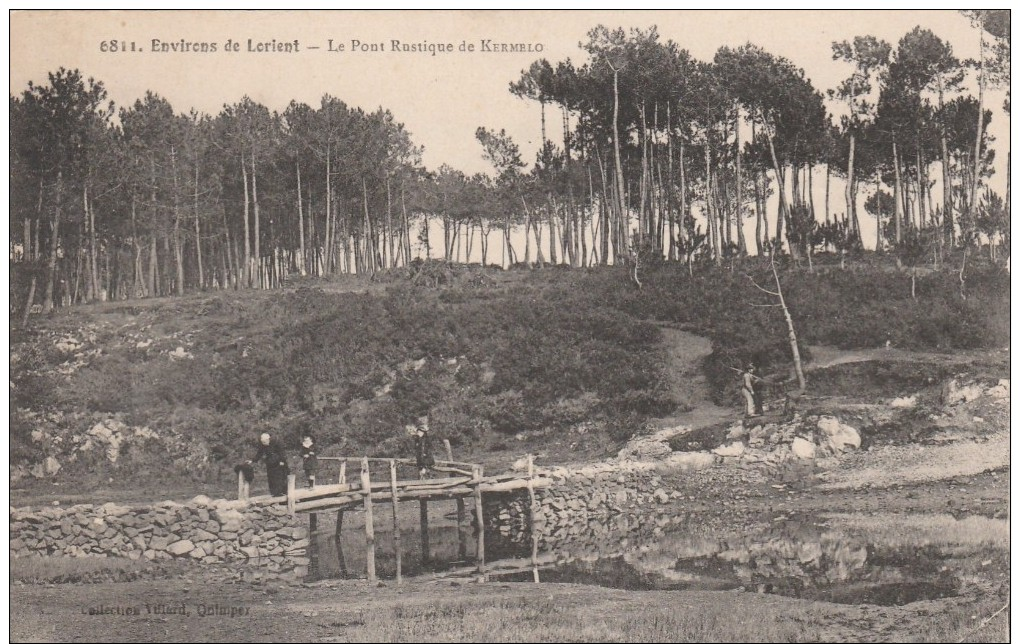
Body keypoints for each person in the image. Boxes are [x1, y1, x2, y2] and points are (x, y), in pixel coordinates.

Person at [248, 432, 289, 497]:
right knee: (271, 478)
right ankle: (274, 493)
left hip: (280, 462)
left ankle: (282, 492)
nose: (264, 444)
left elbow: (282, 452)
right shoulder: (263, 444)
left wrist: (282, 461)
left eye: (264, 442)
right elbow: (259, 453)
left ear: (268, 440)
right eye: (262, 442)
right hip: (270, 462)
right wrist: (252, 460)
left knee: (280, 477)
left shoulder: (277, 442)